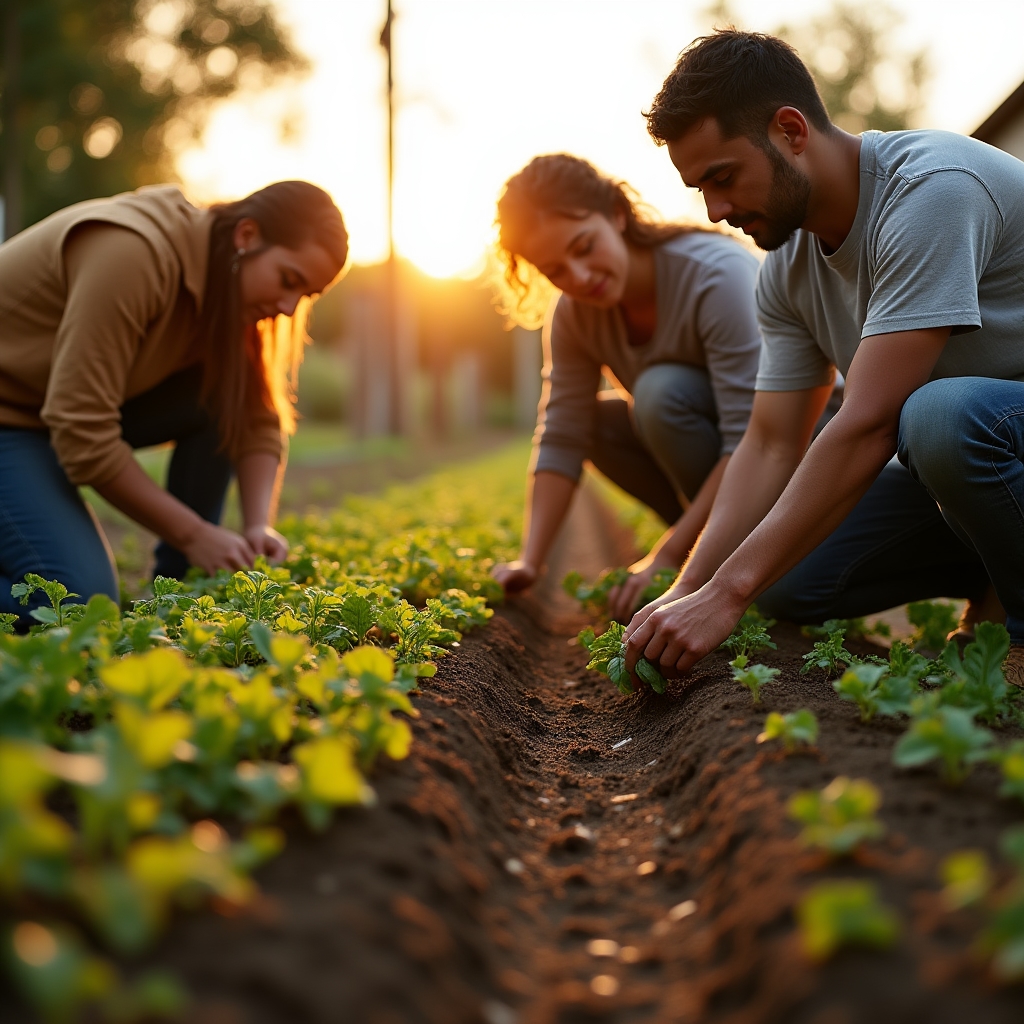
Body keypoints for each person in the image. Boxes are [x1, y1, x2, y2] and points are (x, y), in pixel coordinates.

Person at [625, 29, 1024, 684]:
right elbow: (771, 444)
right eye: (700, 188)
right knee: (787, 582)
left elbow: (868, 424)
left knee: (937, 417)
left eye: (723, 178)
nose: (717, 210)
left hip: (985, 432)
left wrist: (727, 597)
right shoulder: (785, 269)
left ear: (791, 130)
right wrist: (693, 586)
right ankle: (996, 560)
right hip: (990, 461)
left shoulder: (929, 193)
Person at [0, 181, 347, 624]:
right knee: (69, 605)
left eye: (305, 296)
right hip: (12, 417)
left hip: (42, 412)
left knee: (221, 399)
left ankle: (176, 599)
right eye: (288, 280)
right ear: (247, 236)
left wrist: (257, 525)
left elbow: (252, 414)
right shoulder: (132, 253)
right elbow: (82, 432)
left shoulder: (227, 289)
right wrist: (194, 533)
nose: (287, 305)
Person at [490, 154, 762, 621]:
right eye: (556, 270)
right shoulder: (573, 314)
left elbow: (753, 439)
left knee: (660, 391)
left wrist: (668, 558)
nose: (579, 277)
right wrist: (530, 561)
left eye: (584, 246)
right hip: (714, 454)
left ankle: (714, 548)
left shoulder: (715, 276)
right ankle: (709, 541)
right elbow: (561, 434)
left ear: (617, 214)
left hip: (791, 446)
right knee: (594, 423)